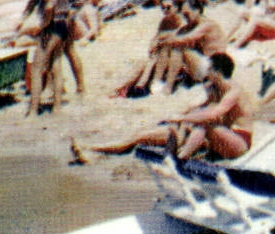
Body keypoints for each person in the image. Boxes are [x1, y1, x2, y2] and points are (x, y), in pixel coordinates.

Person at [75, 53, 254, 163]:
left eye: (209, 71)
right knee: (140, 135)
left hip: (238, 142)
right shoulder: (212, 89)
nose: (206, 74)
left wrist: (183, 119)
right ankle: (92, 149)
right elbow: (194, 108)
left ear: (217, 71)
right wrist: (175, 120)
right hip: (212, 139)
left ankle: (179, 159)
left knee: (203, 123)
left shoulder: (234, 91)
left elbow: (214, 113)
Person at [27, 0, 84, 115]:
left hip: (52, 26)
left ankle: (33, 110)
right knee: (56, 64)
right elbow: (80, 0)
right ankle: (57, 107)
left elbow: (49, 5)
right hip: (64, 24)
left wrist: (43, 24)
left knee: (37, 68)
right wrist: (69, 14)